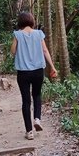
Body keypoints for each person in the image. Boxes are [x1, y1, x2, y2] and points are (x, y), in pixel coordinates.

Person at [11, 12, 57, 140]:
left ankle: (29, 131)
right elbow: (45, 51)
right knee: (37, 95)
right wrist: (52, 67)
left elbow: (13, 52)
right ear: (32, 21)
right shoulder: (39, 34)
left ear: (20, 22)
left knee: (26, 100)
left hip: (23, 72)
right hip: (38, 71)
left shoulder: (17, 34)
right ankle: (37, 119)